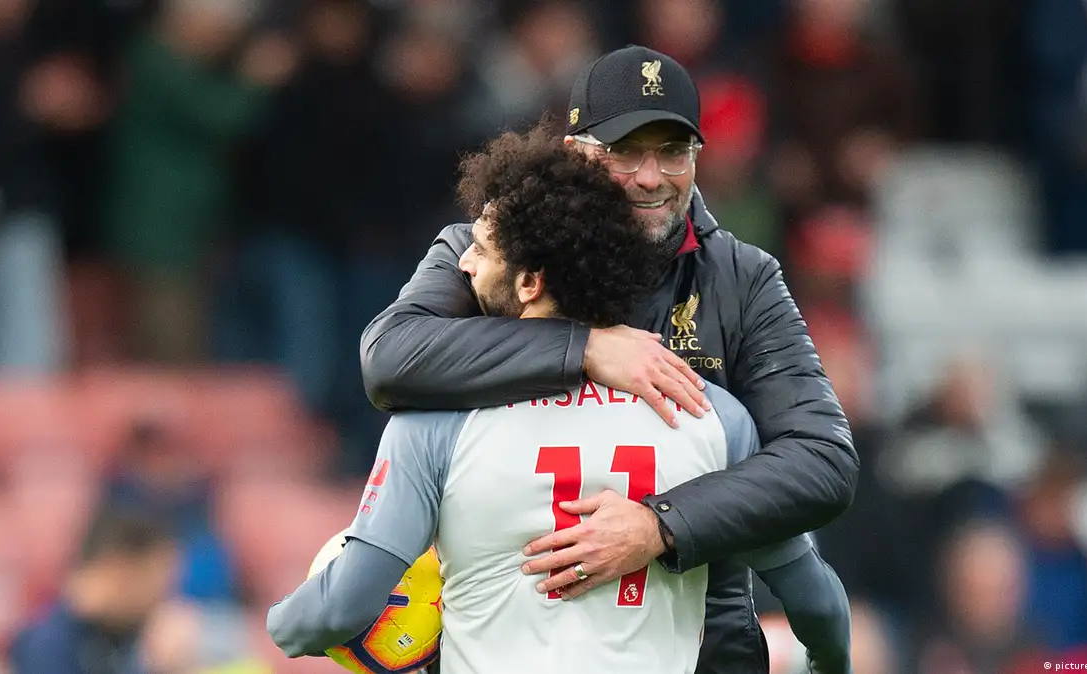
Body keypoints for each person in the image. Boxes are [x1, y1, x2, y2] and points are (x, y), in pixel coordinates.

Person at [268, 126, 851, 674]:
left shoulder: (434, 423)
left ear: (529, 283)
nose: (463, 261)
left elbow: (339, 610)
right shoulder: (713, 416)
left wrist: (278, 625)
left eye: (481, 250)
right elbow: (819, 604)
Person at [9, 509, 179, 674]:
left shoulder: (128, 629)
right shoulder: (48, 643)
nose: (162, 594)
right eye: (154, 579)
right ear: (120, 569)